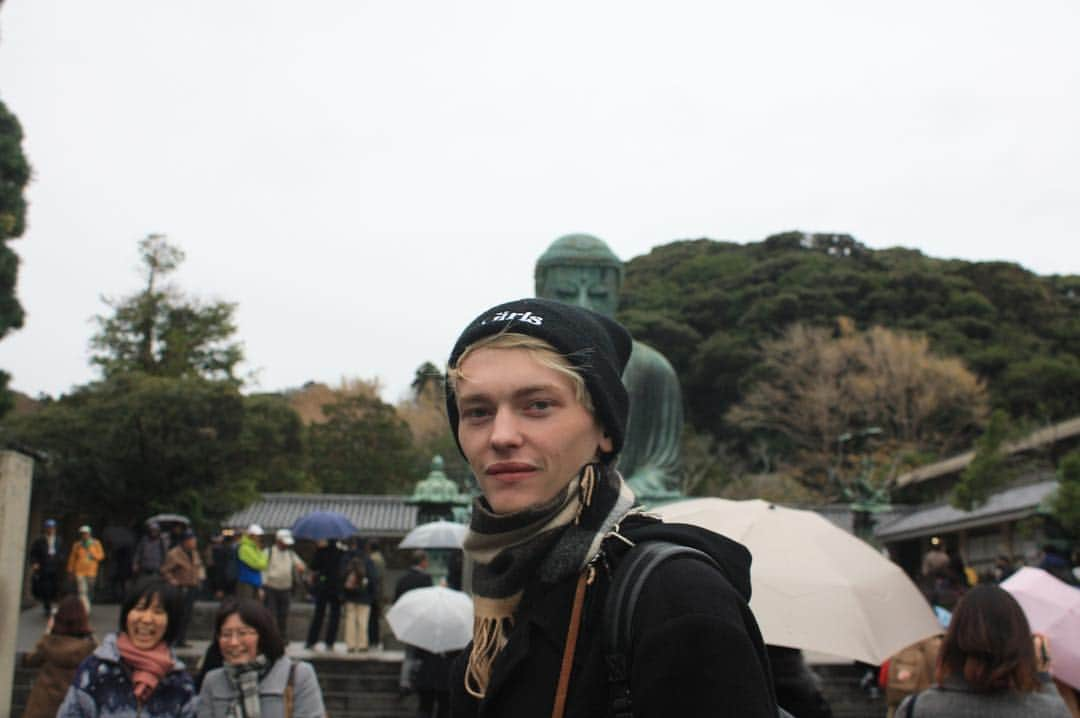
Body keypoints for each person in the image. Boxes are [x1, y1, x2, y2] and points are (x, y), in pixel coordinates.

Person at [443, 298, 777, 717]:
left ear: (605, 428)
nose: (501, 435)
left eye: (538, 405)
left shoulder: (675, 597)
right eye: (477, 411)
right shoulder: (499, 598)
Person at [896, 584, 1071, 717]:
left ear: (953, 643)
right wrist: (1042, 676)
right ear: (1021, 646)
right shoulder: (1047, 711)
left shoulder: (917, 709)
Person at [57, 580, 197, 717]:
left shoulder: (179, 683)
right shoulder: (95, 670)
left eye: (158, 611)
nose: (147, 619)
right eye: (140, 608)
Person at [198, 597, 326, 718]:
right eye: (226, 634)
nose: (233, 642)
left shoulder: (298, 675)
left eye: (242, 633)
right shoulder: (212, 681)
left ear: (263, 635)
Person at [21, 595, 96, 718]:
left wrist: (47, 633)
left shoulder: (48, 644)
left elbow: (29, 660)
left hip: (43, 707)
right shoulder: (90, 649)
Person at [394, 550, 434, 696]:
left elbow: (396, 600)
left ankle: (404, 682)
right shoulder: (426, 579)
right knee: (420, 652)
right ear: (422, 562)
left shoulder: (403, 579)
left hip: (407, 619)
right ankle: (417, 680)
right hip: (422, 619)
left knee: (409, 653)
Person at [161, 530, 205, 647]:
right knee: (177, 614)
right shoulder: (174, 553)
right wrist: (172, 580)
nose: (194, 542)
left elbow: (198, 566)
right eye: (192, 540)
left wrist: (200, 578)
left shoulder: (194, 553)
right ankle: (172, 639)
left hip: (192, 586)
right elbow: (165, 570)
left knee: (187, 615)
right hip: (180, 587)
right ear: (186, 541)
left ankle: (181, 639)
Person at [263, 528, 306, 638]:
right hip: (271, 587)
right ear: (278, 541)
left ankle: (282, 636)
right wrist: (262, 587)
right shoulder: (269, 552)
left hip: (286, 588)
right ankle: (271, 636)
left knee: (283, 614)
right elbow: (262, 570)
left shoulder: (290, 553)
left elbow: (301, 564)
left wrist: (301, 568)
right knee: (271, 614)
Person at [305, 539, 343, 650]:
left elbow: (313, 566)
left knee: (319, 614)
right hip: (336, 587)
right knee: (335, 615)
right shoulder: (341, 553)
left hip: (323, 586)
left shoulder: (321, 551)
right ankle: (330, 641)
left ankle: (311, 641)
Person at [341, 537, 376, 652]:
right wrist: (372, 595)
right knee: (363, 621)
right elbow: (372, 579)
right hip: (364, 597)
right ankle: (362, 644)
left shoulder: (347, 558)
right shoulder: (368, 560)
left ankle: (350, 644)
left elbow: (342, 576)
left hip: (350, 595)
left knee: (350, 620)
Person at [28, 517, 65, 617]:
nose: (50, 529)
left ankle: (55, 604)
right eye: (48, 528)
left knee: (55, 586)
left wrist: (60, 558)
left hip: (55, 566)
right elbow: (33, 553)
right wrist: (35, 563)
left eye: (52, 528)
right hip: (44, 566)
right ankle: (47, 606)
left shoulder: (58, 540)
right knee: (46, 587)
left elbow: (62, 552)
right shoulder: (40, 540)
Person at [66, 525, 105, 615]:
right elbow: (72, 558)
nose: (84, 535)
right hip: (79, 570)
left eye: (86, 534)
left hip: (91, 571)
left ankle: (87, 604)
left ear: (89, 534)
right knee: (82, 590)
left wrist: (93, 555)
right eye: (83, 534)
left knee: (90, 589)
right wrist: (70, 569)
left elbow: (101, 556)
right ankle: (84, 609)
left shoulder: (96, 543)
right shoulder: (77, 545)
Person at [236, 523, 268, 600]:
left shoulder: (255, 547)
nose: (259, 538)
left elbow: (263, 563)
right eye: (258, 535)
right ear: (252, 535)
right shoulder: (244, 548)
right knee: (247, 606)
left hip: (256, 581)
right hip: (246, 582)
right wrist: (262, 561)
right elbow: (260, 564)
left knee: (255, 607)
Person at [365, 538, 385, 648]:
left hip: (373, 591)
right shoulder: (381, 558)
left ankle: (372, 640)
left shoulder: (372, 559)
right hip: (379, 591)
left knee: (371, 618)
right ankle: (375, 640)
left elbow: (373, 577)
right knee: (375, 618)